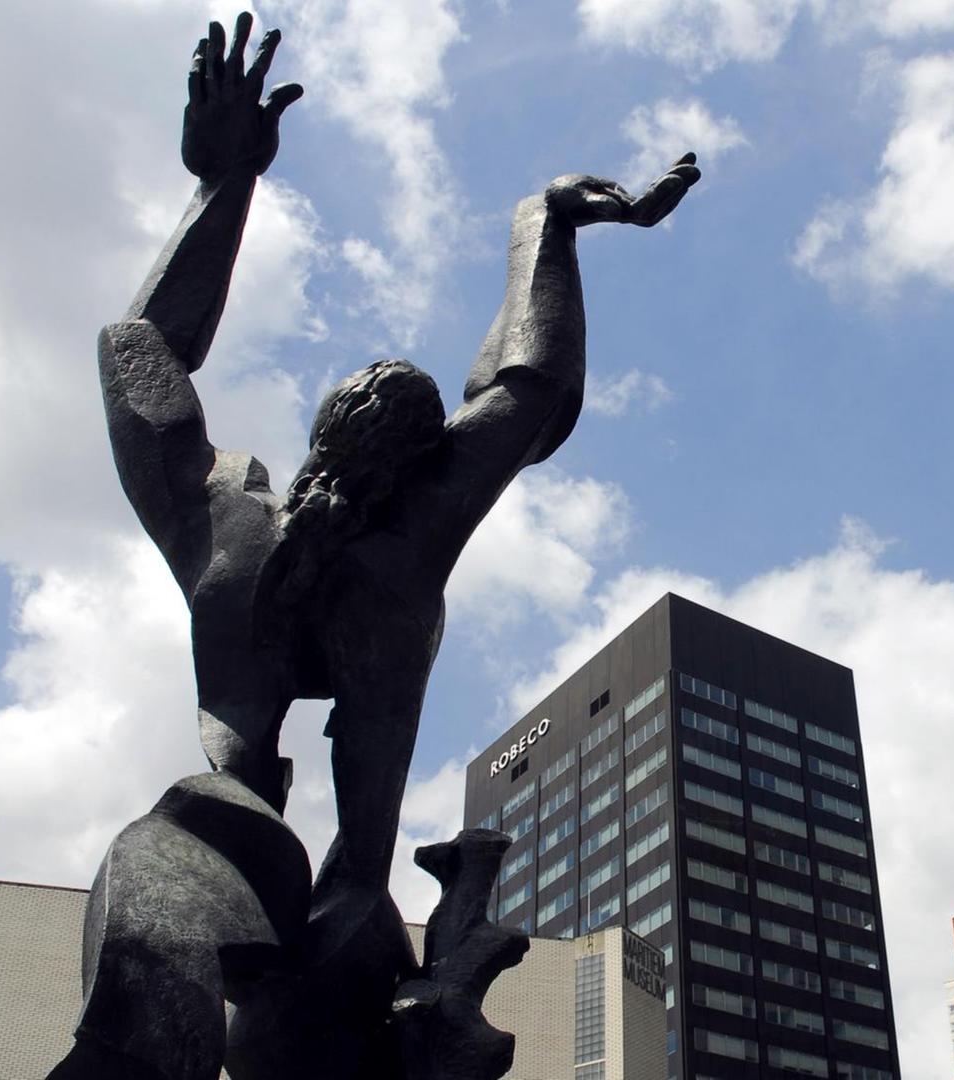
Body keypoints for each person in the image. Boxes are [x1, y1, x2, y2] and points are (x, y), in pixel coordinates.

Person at [98, 9, 697, 959]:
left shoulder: (222, 524)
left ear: (318, 435)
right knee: (349, 901)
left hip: (231, 875)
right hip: (345, 927)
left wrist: (225, 184)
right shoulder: (413, 534)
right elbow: (530, 391)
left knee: (205, 866)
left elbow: (136, 350)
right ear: (425, 463)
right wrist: (542, 223)